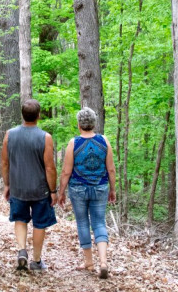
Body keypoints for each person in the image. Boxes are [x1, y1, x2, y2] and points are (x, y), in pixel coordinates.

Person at [57, 107, 117, 279]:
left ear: (79, 125)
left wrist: (61, 192)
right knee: (99, 223)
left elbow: (66, 171)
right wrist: (112, 189)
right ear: (94, 123)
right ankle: (104, 262)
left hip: (78, 188)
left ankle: (89, 262)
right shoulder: (104, 141)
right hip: (100, 187)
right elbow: (111, 169)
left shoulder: (73, 143)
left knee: (83, 223)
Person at [1, 98, 58, 271]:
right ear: (39, 116)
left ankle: (21, 250)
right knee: (40, 223)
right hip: (40, 190)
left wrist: (7, 184)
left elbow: (4, 162)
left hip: (18, 187)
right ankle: (37, 260)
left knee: (20, 219)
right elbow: (50, 167)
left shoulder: (9, 134)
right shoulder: (45, 137)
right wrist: (53, 190)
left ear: (22, 115)